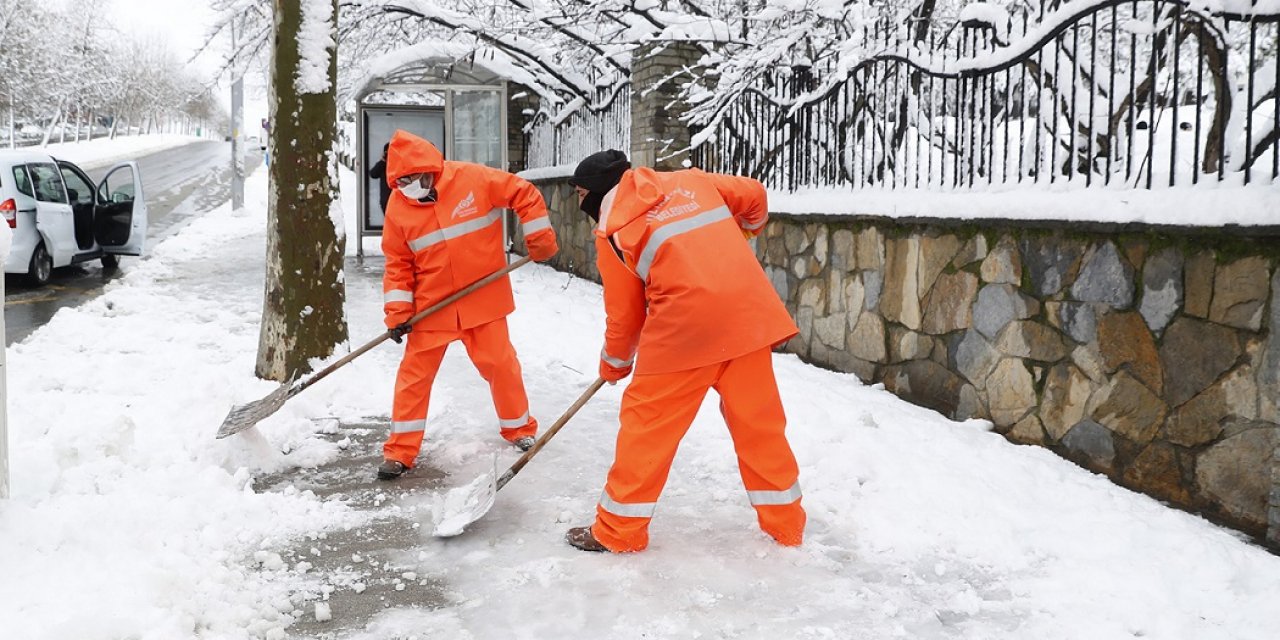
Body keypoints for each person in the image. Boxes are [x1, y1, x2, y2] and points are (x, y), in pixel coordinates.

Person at [564, 150, 805, 553]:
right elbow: (755, 194)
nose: (577, 202)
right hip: (747, 319)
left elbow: (625, 317)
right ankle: (786, 528)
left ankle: (618, 531)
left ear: (595, 192)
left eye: (579, 194)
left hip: (685, 333)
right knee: (760, 428)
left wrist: (614, 365)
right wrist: (748, 230)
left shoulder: (614, 230)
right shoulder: (692, 181)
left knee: (647, 428)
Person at [377, 129, 558, 480]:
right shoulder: (398, 207)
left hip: (482, 298)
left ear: (431, 168)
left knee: (500, 365)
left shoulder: (473, 179)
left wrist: (539, 236)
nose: (409, 187)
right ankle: (400, 451)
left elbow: (524, 193)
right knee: (414, 378)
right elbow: (397, 264)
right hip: (433, 306)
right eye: (401, 182)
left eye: (414, 179)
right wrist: (398, 313)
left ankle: (519, 428)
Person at [368, 143, 392, 214]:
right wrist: (382, 161)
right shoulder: (383, 165)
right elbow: (373, 174)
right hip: (386, 200)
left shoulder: (400, 164)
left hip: (399, 201)